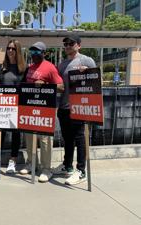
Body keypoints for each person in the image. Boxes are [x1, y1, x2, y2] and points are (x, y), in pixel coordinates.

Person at [53, 34, 96, 185]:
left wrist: (88, 74)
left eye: (71, 43)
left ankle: (81, 171)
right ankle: (67, 166)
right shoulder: (62, 64)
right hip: (64, 107)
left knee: (80, 139)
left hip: (80, 108)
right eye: (65, 44)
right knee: (68, 139)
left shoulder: (87, 60)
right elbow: (59, 87)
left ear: (78, 45)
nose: (68, 46)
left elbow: (97, 81)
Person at [20, 41, 64, 183]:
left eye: (37, 52)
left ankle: (46, 168)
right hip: (29, 108)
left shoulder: (50, 67)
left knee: (45, 140)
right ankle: (32, 163)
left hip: (45, 109)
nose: (34, 54)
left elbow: (62, 87)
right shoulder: (29, 67)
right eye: (32, 52)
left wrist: (45, 85)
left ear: (44, 53)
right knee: (29, 137)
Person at [0, 39, 26, 175]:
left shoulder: (23, 69)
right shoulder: (1, 67)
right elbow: (0, 85)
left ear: (18, 50)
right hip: (2, 106)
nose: (10, 51)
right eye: (8, 48)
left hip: (17, 106)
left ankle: (12, 161)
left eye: (13, 49)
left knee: (15, 134)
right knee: (0, 134)